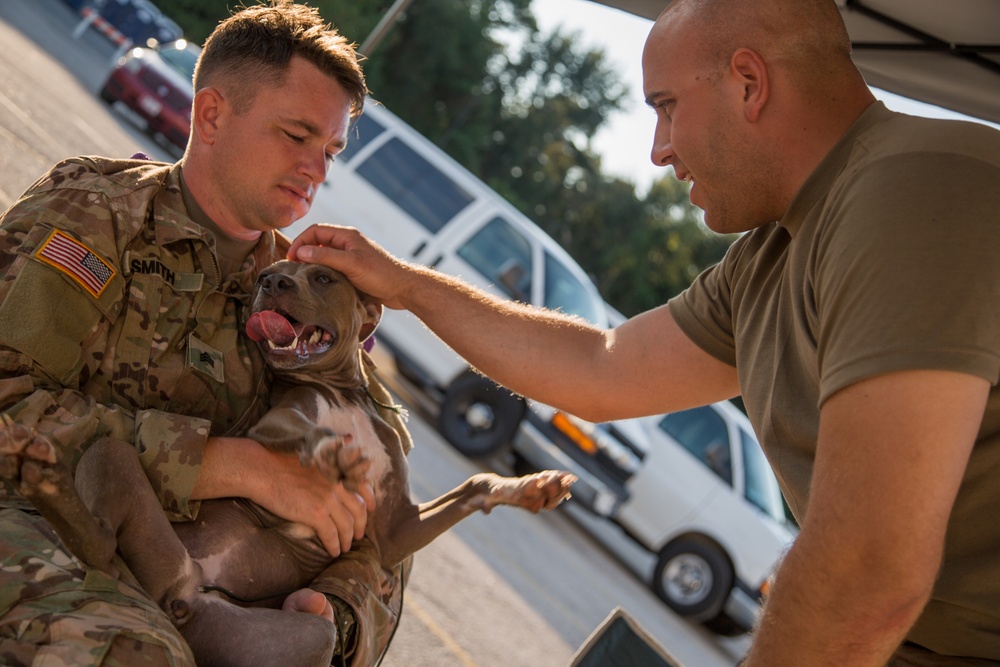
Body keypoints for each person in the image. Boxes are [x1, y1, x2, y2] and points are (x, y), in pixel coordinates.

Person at [287, 0, 1000, 664]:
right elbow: (602, 367)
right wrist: (406, 284)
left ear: (749, 83)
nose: (659, 149)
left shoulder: (914, 191)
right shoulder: (774, 253)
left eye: (666, 108)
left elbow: (867, 569)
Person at [0, 2, 408, 666]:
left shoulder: (308, 302)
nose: (316, 168)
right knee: (139, 654)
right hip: (39, 519)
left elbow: (382, 513)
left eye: (329, 150)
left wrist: (333, 617)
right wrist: (237, 467)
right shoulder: (97, 213)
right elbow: (8, 398)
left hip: (191, 585)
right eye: (296, 134)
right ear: (213, 114)